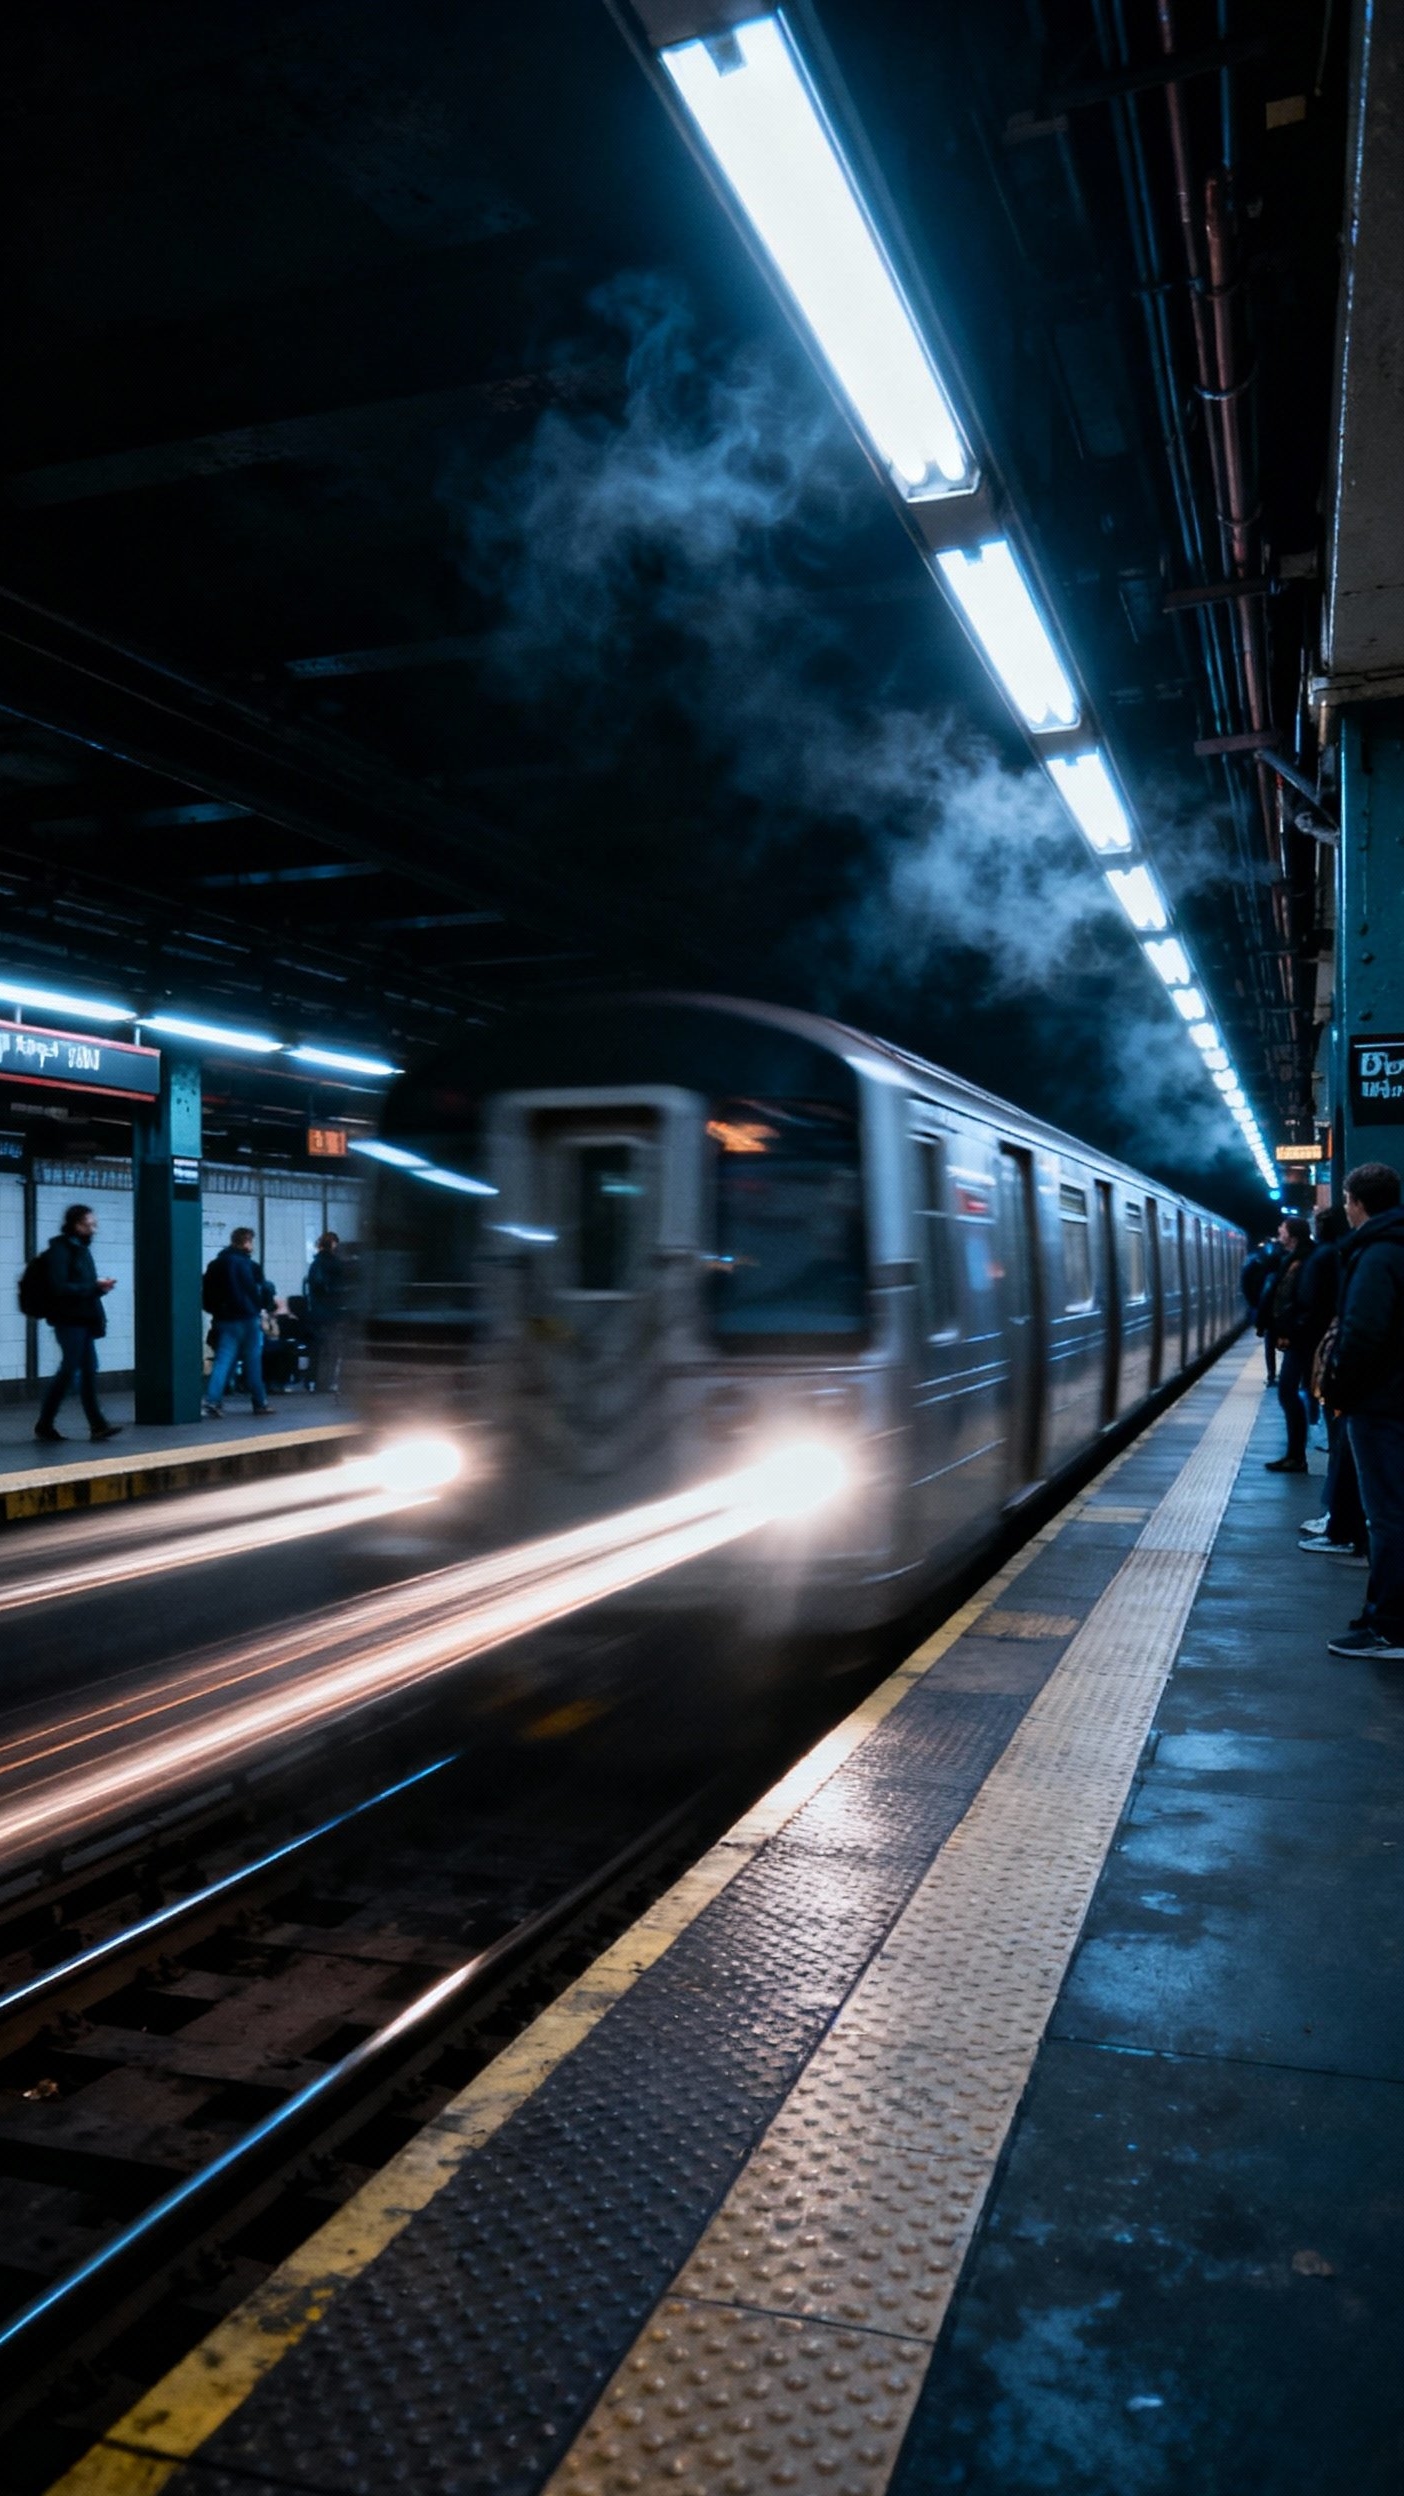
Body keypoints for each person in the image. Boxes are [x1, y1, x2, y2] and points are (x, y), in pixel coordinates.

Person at [1321, 1162, 1404, 1661]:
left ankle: (1390, 1627)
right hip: (1393, 1398)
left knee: (1388, 1517)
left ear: (1357, 1203)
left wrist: (1337, 1388)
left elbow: (1363, 1335)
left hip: (1381, 1405)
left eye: (1348, 1201)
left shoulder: (1376, 1254)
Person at [33, 1203, 122, 1444]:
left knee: (88, 1369)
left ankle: (97, 1425)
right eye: (89, 1224)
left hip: (82, 1319)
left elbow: (82, 1285)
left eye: (94, 1224)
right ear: (76, 1225)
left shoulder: (81, 1250)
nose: (94, 1229)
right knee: (69, 1370)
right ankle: (45, 1423)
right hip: (68, 1320)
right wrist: (94, 1287)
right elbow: (59, 1287)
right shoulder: (60, 1251)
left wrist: (98, 1288)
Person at [202, 1226, 276, 1418]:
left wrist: (216, 1311)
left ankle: (212, 1401)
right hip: (248, 1319)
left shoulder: (215, 1264)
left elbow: (206, 1294)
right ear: (246, 1242)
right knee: (253, 1362)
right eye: (251, 1241)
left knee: (223, 1361)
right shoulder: (250, 1266)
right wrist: (264, 1308)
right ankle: (260, 1403)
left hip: (225, 1320)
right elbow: (259, 1291)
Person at [1263, 1214, 1313, 1472]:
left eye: (1282, 1230)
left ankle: (1296, 1456)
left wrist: (1290, 1330)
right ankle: (1294, 1454)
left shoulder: (1301, 1262)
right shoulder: (1297, 1259)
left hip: (1301, 1340)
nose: (1279, 1234)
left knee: (1288, 1393)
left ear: (1292, 1235)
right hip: (1298, 1337)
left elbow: (1298, 1301)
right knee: (1290, 1393)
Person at [305, 1230, 350, 1394]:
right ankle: (325, 1382)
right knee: (331, 1348)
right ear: (332, 1244)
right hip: (330, 1311)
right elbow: (330, 1287)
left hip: (317, 1311)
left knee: (318, 1348)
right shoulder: (334, 1263)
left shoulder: (315, 1263)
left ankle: (314, 1381)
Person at [1242, 1235, 1282, 1385]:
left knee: (1269, 1342)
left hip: (1266, 1308)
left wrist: (1254, 1304)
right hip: (1281, 1309)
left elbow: (1246, 1280)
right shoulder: (1286, 1258)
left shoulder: (1258, 1260)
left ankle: (1271, 1374)